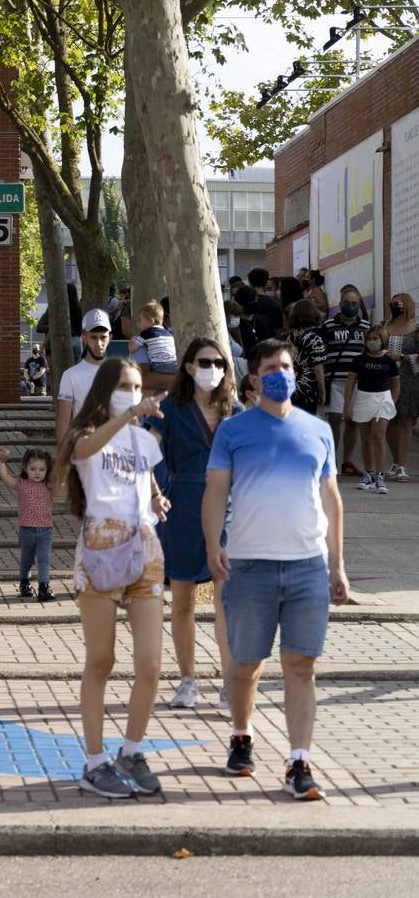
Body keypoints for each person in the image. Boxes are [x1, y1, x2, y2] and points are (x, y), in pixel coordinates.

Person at [203, 338, 349, 800]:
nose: (280, 372)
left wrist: (337, 566)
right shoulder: (233, 431)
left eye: (286, 365)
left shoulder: (318, 430)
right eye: (271, 366)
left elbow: (332, 500)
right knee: (247, 665)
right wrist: (213, 546)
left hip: (307, 565)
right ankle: (242, 735)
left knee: (301, 665)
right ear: (254, 377)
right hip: (250, 564)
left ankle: (299, 760)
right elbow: (214, 494)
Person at [56, 358, 170, 799]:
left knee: (151, 663)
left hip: (145, 547)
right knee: (100, 661)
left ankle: (132, 750)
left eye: (138, 386)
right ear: (106, 390)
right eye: (125, 385)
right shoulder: (86, 435)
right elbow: (84, 453)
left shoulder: (142, 438)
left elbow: (145, 479)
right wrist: (128, 414)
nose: (134, 392)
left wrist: (158, 500)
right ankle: (94, 760)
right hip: (101, 547)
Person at [145, 338, 240, 710]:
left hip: (228, 510)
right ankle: (188, 680)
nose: (212, 368)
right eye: (204, 362)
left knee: (226, 601)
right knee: (183, 601)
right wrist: (157, 490)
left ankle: (231, 681)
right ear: (188, 367)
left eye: (218, 362)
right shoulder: (169, 407)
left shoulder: (235, 411)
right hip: (182, 506)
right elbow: (148, 451)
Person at [0, 446, 56, 601]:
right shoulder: (21, 484)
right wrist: (1, 462)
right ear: (25, 468)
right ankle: (25, 583)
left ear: (47, 470)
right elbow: (5, 478)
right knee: (26, 560)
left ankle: (44, 587)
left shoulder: (50, 486)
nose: (37, 472)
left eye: (42, 469)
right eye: (33, 468)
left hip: (45, 531)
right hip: (26, 530)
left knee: (44, 559)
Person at [321, 286, 370, 476]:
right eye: (347, 303)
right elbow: (322, 352)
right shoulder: (328, 326)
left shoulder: (366, 327)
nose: (351, 306)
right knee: (334, 419)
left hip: (357, 381)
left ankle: (347, 461)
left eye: (354, 303)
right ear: (340, 304)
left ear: (359, 305)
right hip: (334, 380)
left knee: (353, 421)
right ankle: (331, 460)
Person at [347, 324, 400, 494]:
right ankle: (368, 474)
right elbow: (350, 385)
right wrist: (347, 405)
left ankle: (380, 476)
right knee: (366, 438)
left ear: (383, 340)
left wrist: (391, 402)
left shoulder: (390, 361)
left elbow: (396, 385)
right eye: (369, 339)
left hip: (383, 399)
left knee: (378, 436)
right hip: (363, 398)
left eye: (376, 339)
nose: (372, 342)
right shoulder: (358, 360)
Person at [56, 308, 112, 440]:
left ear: (110, 337)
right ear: (84, 338)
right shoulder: (70, 376)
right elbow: (63, 422)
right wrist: (65, 457)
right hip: (84, 451)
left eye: (103, 337)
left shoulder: (122, 373)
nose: (99, 343)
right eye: (93, 337)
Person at [384, 293, 418, 482]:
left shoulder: (416, 329)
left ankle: (402, 465)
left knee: (405, 421)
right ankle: (396, 462)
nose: (396, 307)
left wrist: (404, 357)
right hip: (386, 379)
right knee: (388, 420)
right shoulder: (384, 328)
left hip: (409, 379)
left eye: (399, 304)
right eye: (393, 304)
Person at [283, 299, 326, 415]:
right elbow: (317, 368)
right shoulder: (314, 338)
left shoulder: (290, 337)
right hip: (308, 390)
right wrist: (322, 391)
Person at [129, 301, 177, 391]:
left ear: (151, 321)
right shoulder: (170, 334)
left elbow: (132, 348)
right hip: (174, 366)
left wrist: (131, 342)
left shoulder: (147, 333)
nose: (137, 324)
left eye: (140, 320)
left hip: (160, 368)